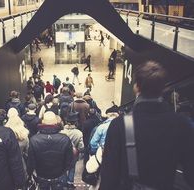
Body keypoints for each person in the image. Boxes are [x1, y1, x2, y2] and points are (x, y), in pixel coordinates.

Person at [100, 61, 194, 190]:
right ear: (163, 88)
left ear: (137, 87)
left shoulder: (120, 125)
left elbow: (109, 173)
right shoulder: (181, 124)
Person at [27, 111, 73, 190]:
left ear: (43, 122)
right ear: (56, 122)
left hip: (42, 175)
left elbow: (31, 161)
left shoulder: (34, 139)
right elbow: (69, 160)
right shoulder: (65, 139)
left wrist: (31, 173)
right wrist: (63, 171)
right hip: (59, 175)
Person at [61, 113, 84, 189]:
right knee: (72, 168)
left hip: (63, 154)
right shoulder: (79, 133)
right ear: (75, 122)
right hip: (74, 154)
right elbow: (81, 147)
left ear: (66, 121)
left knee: (63, 169)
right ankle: (70, 183)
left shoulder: (61, 132)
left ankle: (64, 184)